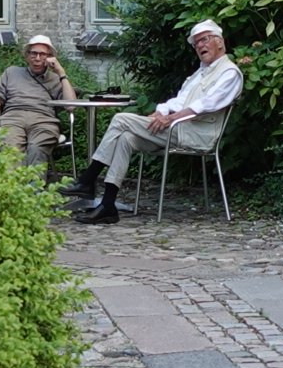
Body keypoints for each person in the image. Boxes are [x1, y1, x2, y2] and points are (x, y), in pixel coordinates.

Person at [61, 19, 243, 225]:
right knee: (127, 137)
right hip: (177, 130)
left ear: (220, 42)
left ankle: (87, 180)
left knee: (121, 118)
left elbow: (206, 105)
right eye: (196, 43)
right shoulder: (200, 73)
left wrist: (170, 118)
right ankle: (108, 205)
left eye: (204, 40)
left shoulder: (230, 73)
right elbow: (179, 100)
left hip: (198, 135)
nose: (200, 46)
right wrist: (160, 113)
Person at [0, 34, 77, 167]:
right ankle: (13, 187)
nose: (37, 58)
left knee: (37, 149)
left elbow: (71, 106)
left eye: (42, 54)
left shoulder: (55, 79)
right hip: (13, 119)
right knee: (10, 150)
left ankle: (34, 188)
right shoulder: (11, 73)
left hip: (43, 121)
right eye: (33, 53)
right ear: (27, 56)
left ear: (49, 57)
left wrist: (61, 73)